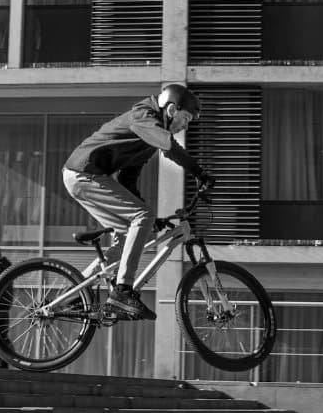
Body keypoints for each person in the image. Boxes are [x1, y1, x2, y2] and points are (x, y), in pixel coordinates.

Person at [63, 84, 213, 321]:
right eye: (185, 119)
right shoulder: (145, 117)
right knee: (142, 215)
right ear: (172, 109)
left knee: (129, 232)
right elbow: (170, 148)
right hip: (83, 173)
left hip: (85, 177)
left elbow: (127, 180)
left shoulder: (147, 139)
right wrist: (199, 172)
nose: (186, 126)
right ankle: (122, 292)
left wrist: (151, 220)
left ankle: (75, 297)